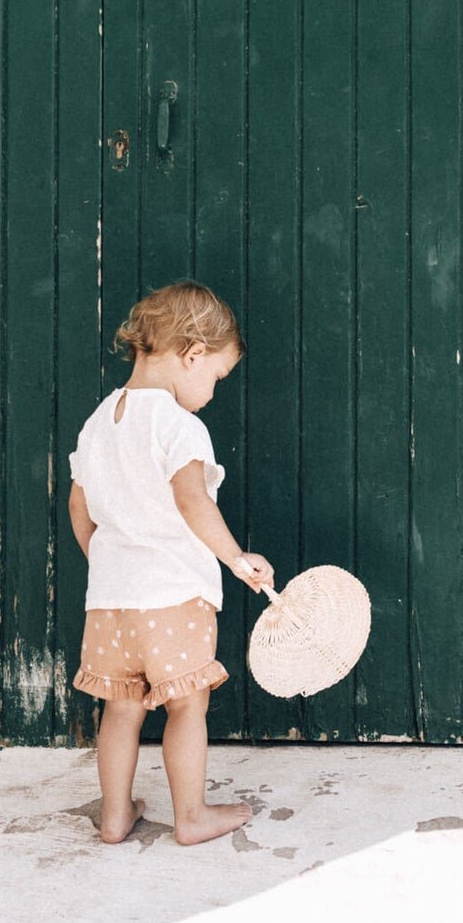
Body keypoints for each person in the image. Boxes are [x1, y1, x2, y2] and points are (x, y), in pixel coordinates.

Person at [68, 280, 274, 846]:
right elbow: (193, 500)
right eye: (217, 376)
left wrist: (109, 564)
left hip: (110, 603)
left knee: (120, 709)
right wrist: (236, 558)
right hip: (174, 598)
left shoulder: (98, 421)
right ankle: (191, 816)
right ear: (193, 354)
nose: (212, 391)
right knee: (186, 706)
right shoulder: (179, 425)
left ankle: (115, 816)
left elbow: (79, 508)